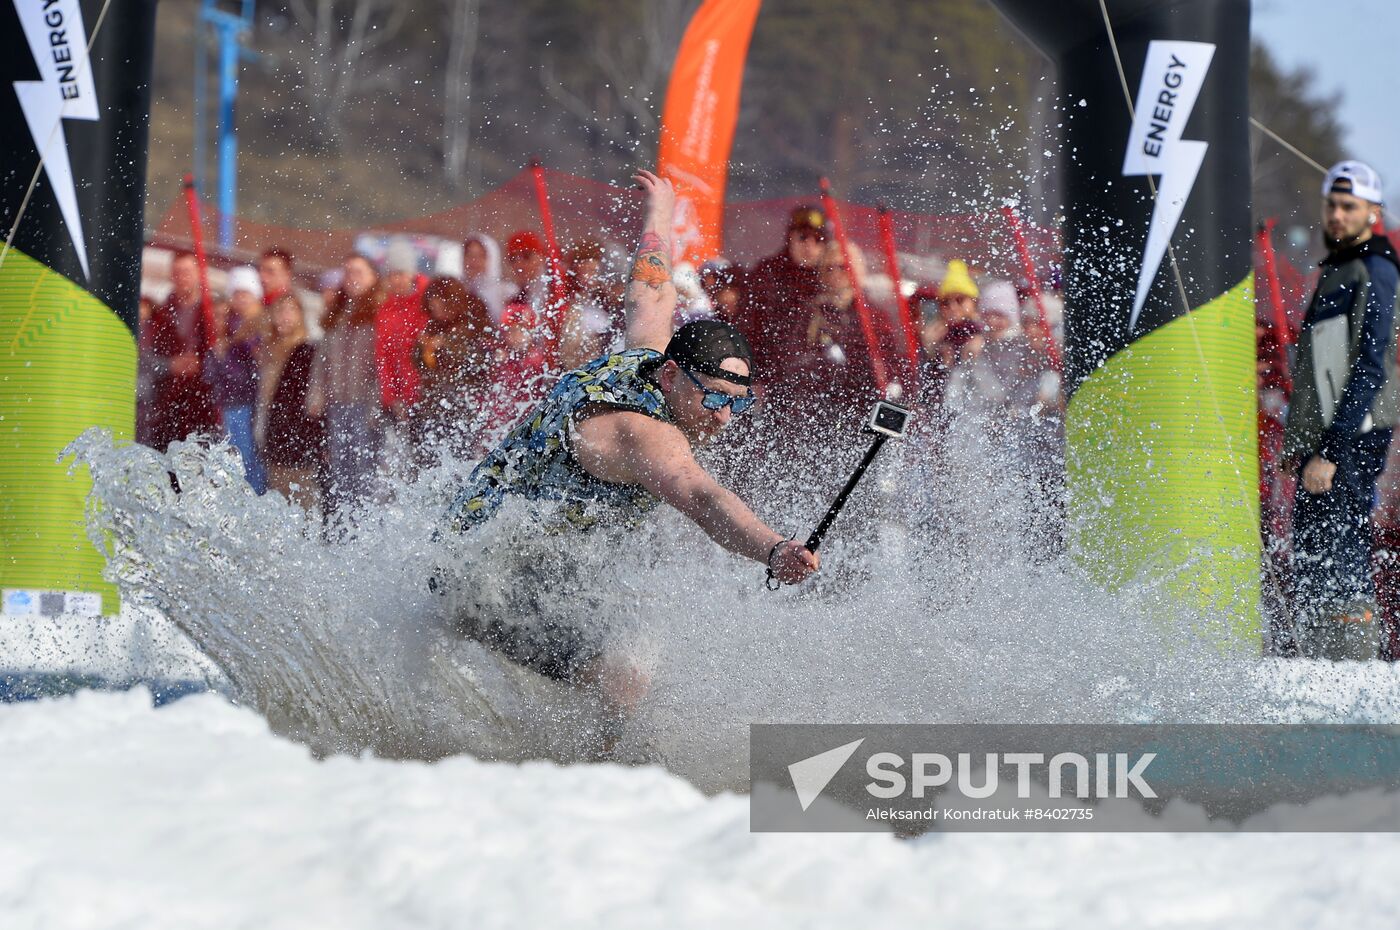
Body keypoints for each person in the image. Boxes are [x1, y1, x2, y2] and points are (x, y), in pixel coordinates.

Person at [438, 170, 819, 715]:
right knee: (628, 678)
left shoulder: (649, 352)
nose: (723, 418)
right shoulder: (646, 434)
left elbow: (651, 286)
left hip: (514, 548)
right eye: (713, 398)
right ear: (672, 378)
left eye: (738, 402)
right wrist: (774, 549)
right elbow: (700, 496)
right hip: (485, 575)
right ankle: (605, 787)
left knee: (631, 643)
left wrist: (660, 212)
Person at [1283, 160, 1400, 660]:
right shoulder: (1339, 268)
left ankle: (1352, 676)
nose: (1337, 214)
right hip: (1325, 441)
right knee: (1312, 559)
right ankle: (1317, 671)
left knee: (1340, 557)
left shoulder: (1374, 269)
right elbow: (1317, 374)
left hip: (1350, 437)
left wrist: (1329, 451)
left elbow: (1369, 369)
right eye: (1332, 205)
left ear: (1372, 212)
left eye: (1349, 206)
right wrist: (1300, 444)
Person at [308, 254, 384, 520]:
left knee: (365, 469)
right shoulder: (338, 313)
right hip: (337, 402)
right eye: (349, 272)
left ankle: (364, 524)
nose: (352, 278)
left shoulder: (378, 312)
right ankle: (343, 525)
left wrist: (377, 403)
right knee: (341, 469)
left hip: (364, 403)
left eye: (359, 272)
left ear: (373, 277)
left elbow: (381, 363)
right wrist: (315, 394)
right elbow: (322, 359)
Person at [411, 276, 497, 464]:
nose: (436, 309)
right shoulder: (432, 326)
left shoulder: (474, 322)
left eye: (440, 304)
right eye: (432, 305)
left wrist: (445, 345)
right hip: (433, 407)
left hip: (463, 407)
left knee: (460, 459)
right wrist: (423, 348)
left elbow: (478, 360)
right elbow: (420, 363)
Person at [743, 205, 829, 385]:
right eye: (803, 237)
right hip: (772, 378)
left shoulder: (829, 279)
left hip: (818, 379)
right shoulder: (768, 274)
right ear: (790, 238)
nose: (809, 246)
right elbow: (749, 329)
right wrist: (754, 377)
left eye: (817, 239)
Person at [144, 250, 219, 452]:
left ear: (198, 274)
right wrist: (170, 366)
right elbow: (147, 356)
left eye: (187, 271)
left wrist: (202, 365)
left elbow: (221, 353)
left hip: (202, 403)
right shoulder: (161, 314)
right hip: (167, 402)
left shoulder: (212, 313)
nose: (182, 278)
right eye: (178, 272)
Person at [257, 293, 325, 511]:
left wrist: (314, 439)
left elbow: (312, 401)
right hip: (271, 436)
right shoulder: (266, 350)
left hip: (298, 443)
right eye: (280, 311)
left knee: (299, 503)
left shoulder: (307, 350)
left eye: (290, 310)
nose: (284, 317)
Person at [205, 266, 268, 493]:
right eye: (237, 293)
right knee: (233, 458)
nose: (241, 299)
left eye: (246, 293)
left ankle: (254, 496)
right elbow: (212, 374)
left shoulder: (259, 326)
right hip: (230, 403)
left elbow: (254, 369)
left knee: (247, 459)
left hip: (248, 403)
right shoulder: (231, 328)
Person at [375, 242, 429, 428]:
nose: (396, 280)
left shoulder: (426, 301)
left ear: (411, 273)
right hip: (401, 398)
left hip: (426, 393)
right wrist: (392, 397)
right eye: (391, 275)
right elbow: (384, 357)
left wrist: (419, 392)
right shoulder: (386, 310)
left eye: (400, 274)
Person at [462, 233, 513, 324]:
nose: (473, 261)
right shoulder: (458, 289)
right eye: (470, 255)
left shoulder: (505, 292)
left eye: (480, 256)